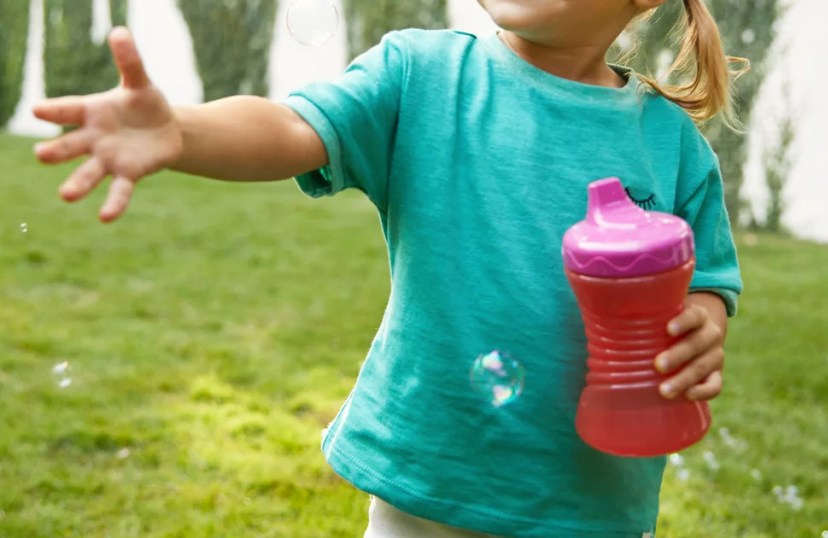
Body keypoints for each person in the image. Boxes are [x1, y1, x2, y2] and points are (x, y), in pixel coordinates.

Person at [33, 0, 744, 536]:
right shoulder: (422, 75)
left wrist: (702, 327)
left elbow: (706, 283)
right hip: (428, 472)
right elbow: (288, 129)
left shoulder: (671, 145)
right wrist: (179, 131)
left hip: (587, 495)